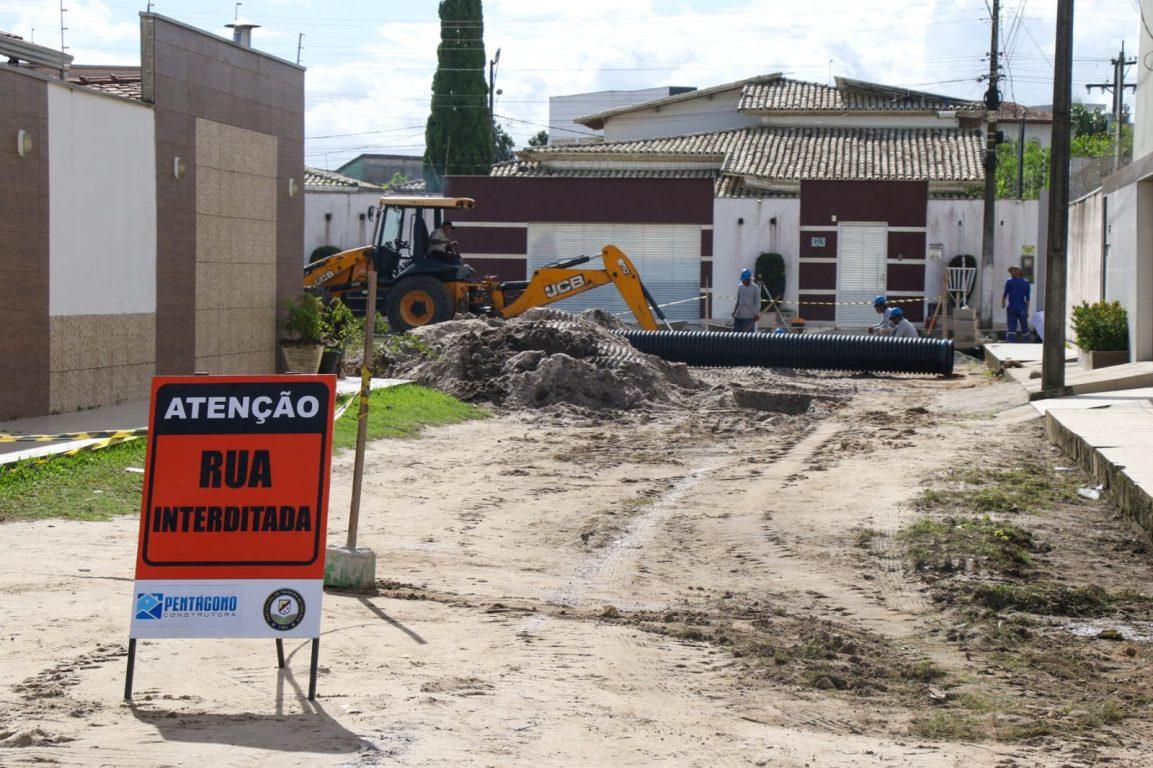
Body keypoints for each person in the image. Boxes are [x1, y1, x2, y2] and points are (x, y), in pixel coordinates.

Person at [1002, 265, 1032, 342]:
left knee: (1017, 327)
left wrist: (1003, 302)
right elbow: (1005, 294)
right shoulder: (1024, 282)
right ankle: (1020, 343)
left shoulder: (1011, 282)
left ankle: (1014, 343)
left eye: (1013, 271)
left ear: (1018, 272)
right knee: (1017, 327)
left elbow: (1028, 298)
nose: (1011, 273)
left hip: (1017, 308)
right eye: (1011, 271)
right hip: (1017, 308)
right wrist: (1003, 302)